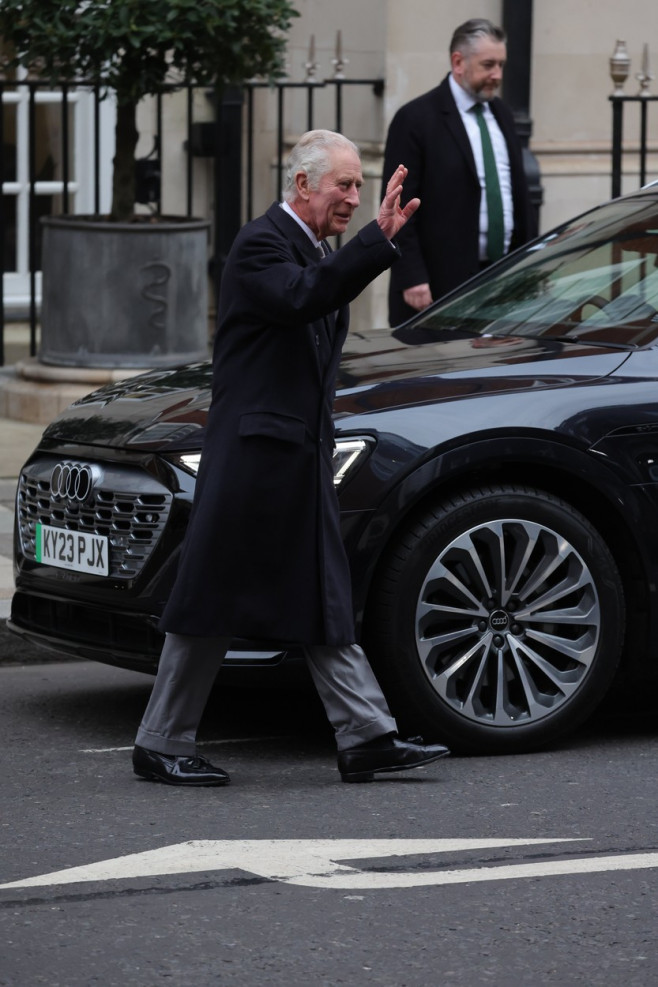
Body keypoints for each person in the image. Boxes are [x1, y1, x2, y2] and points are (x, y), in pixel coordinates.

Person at [132, 129, 450, 786]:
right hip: (254, 455)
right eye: (345, 184)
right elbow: (307, 295)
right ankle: (160, 740)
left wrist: (370, 243)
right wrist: (379, 242)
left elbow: (320, 294)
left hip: (297, 454)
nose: (354, 198)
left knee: (323, 592)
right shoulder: (260, 244)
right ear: (302, 184)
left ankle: (366, 734)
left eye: (360, 186)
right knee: (211, 594)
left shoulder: (314, 248)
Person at [381, 17, 537, 326]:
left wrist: (528, 270)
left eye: (502, 65)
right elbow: (398, 206)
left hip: (501, 282)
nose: (497, 75)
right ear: (458, 62)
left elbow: (517, 197)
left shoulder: (502, 115)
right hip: (437, 287)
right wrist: (411, 277)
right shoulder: (415, 119)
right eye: (489, 65)